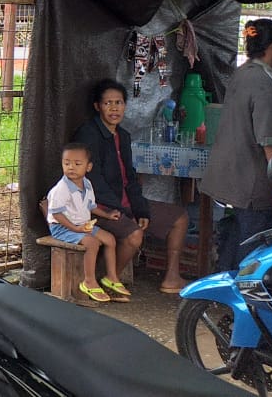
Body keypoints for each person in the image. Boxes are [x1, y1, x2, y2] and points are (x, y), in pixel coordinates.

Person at [72, 79, 189, 294]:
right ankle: (107, 280)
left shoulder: (122, 136)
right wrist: (126, 212)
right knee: (135, 235)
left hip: (124, 203)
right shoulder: (88, 134)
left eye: (119, 103)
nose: (114, 108)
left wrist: (140, 209)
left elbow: (131, 178)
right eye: (108, 103)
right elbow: (93, 181)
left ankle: (171, 278)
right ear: (97, 106)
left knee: (179, 217)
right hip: (97, 206)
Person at [203, 19, 272, 272]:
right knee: (253, 245)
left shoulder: (242, 72)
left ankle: (222, 297)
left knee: (233, 239)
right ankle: (245, 302)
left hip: (228, 176)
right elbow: (270, 141)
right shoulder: (266, 80)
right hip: (252, 182)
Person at [45, 143, 123, 303]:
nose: (71, 167)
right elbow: (57, 214)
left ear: (88, 167)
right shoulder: (61, 189)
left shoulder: (87, 184)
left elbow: (91, 207)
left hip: (81, 224)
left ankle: (111, 277)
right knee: (92, 243)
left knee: (110, 239)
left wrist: (107, 215)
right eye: (66, 163)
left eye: (77, 164)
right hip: (62, 228)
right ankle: (89, 281)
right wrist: (75, 229)